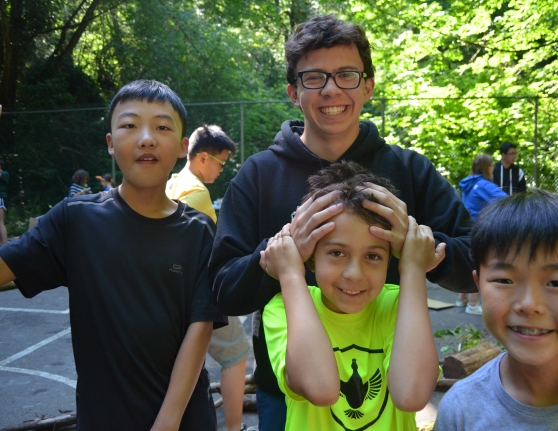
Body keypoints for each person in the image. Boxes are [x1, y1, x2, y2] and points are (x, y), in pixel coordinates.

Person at [209, 14, 475, 431]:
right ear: (294, 92)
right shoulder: (259, 175)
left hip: (392, 385)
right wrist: (282, 251)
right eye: (314, 78)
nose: (331, 89)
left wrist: (416, 245)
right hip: (288, 394)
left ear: (368, 86)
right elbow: (223, 290)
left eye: (347, 75)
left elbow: (477, 262)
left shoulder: (410, 170)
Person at [0, 79, 227, 430]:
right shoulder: (75, 219)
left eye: (162, 127)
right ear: (110, 143)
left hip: (184, 421)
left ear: (182, 147)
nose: (146, 138)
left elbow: (200, 330)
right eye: (130, 125)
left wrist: (166, 425)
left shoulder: (199, 230)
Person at [262, 162, 440, 430]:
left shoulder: (398, 305)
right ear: (311, 257)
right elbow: (321, 389)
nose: (354, 274)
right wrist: (290, 273)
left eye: (373, 256)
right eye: (337, 253)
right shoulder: (283, 308)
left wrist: (414, 268)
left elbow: (411, 396)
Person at [434, 189, 558, 430]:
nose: (528, 304)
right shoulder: (460, 411)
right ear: (479, 287)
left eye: (557, 283)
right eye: (504, 280)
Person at [166, 124, 250, 431]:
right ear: (203, 157)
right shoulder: (197, 194)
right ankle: (235, 427)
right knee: (236, 356)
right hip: (199, 293)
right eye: (221, 163)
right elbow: (200, 251)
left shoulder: (174, 182)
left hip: (175, 291)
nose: (221, 169)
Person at [457, 154, 507, 314]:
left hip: (467, 228)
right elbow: (506, 202)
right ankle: (473, 304)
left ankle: (462, 298)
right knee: (477, 264)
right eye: (491, 165)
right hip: (480, 229)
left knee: (468, 261)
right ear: (487, 167)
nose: (493, 168)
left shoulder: (468, 184)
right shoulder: (484, 185)